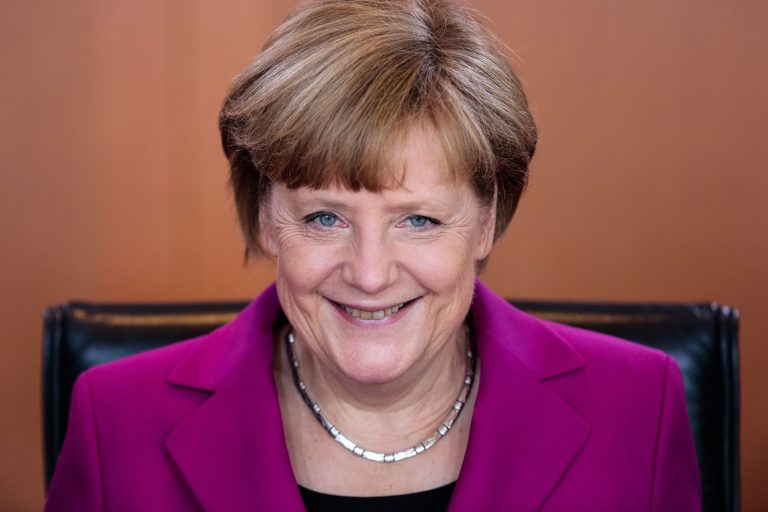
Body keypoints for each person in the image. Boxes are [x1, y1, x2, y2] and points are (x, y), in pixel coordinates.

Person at [45, 0, 701, 510]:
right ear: (268, 218)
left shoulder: (637, 410)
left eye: (418, 219)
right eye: (324, 217)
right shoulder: (117, 423)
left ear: (485, 223)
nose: (368, 273)